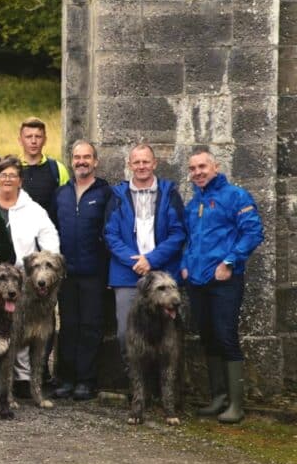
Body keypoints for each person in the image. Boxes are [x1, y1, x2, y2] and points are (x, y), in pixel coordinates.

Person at [181, 148, 264, 424]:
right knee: (207, 336)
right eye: (192, 168)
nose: (198, 172)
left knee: (225, 335)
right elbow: (189, 239)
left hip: (225, 280)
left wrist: (229, 261)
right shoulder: (194, 204)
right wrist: (184, 263)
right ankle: (217, 398)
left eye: (202, 166)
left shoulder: (235, 196)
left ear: (215, 166)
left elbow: (253, 232)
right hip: (197, 280)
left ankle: (236, 405)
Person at [0, 156, 59, 397]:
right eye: (3, 175)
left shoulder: (34, 210)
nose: (7, 180)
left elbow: (50, 241)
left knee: (21, 332)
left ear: (20, 181)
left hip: (22, 279)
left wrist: (43, 267)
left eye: (12, 176)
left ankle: (23, 382)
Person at [104, 143, 186, 367]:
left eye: (146, 161)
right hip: (127, 274)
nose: (141, 166)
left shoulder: (170, 194)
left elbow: (178, 233)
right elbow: (110, 234)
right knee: (125, 334)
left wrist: (151, 260)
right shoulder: (117, 196)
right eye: (137, 162)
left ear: (154, 163)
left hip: (163, 274)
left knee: (166, 336)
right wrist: (135, 260)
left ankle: (164, 391)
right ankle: (137, 387)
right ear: (129, 165)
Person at [51, 140, 111, 401]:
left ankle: (86, 380)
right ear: (71, 161)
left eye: (87, 157)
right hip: (67, 273)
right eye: (77, 157)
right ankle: (65, 378)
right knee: (69, 326)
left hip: (94, 272)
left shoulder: (105, 193)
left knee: (91, 326)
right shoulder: (61, 193)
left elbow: (109, 231)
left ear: (95, 161)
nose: (82, 161)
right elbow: (52, 228)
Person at [18, 117, 69, 223]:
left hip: (48, 235)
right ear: (20, 140)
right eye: (28, 137)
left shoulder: (58, 169)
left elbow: (67, 204)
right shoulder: (10, 169)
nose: (33, 141)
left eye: (38, 137)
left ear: (45, 140)